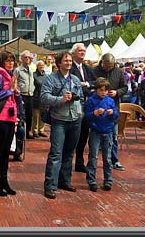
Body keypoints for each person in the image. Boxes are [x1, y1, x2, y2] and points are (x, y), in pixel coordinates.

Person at [41, 51, 84, 200]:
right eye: (66, 61)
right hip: (59, 119)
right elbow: (44, 97)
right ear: (59, 63)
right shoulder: (50, 79)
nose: (68, 63)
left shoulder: (75, 80)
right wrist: (61, 99)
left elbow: (81, 97)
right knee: (56, 153)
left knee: (69, 153)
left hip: (75, 119)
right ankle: (50, 185)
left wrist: (79, 108)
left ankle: (65, 181)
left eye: (70, 61)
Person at [0, 50, 20, 197]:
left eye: (12, 60)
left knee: (6, 152)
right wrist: (10, 91)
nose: (11, 63)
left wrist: (16, 93)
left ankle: (4, 181)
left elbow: (13, 97)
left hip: (10, 117)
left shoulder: (11, 76)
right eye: (8, 60)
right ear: (2, 62)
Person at [93, 53, 127, 171]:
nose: (108, 68)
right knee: (95, 139)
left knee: (113, 137)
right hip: (97, 109)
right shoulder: (95, 71)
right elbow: (91, 86)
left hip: (112, 109)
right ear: (102, 62)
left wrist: (117, 92)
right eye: (106, 66)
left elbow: (125, 87)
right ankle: (94, 161)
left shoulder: (118, 72)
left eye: (110, 66)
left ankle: (114, 160)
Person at [85, 77, 118, 192]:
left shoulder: (110, 101)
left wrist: (112, 113)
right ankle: (91, 180)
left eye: (105, 90)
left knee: (107, 158)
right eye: (101, 90)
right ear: (96, 90)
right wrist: (94, 113)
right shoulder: (91, 100)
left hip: (108, 131)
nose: (103, 92)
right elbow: (87, 116)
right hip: (95, 131)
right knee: (93, 157)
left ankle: (108, 180)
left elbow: (116, 115)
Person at [69, 43, 96, 173]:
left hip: (87, 104)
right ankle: (67, 162)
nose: (82, 52)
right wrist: (84, 86)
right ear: (73, 53)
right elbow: (73, 84)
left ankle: (79, 161)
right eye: (80, 50)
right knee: (73, 134)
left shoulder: (88, 68)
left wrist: (86, 84)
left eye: (84, 51)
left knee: (84, 133)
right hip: (74, 105)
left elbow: (96, 82)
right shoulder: (70, 68)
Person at [14, 50, 35, 141]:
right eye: (25, 57)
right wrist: (16, 91)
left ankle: (28, 131)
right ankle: (21, 131)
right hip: (21, 95)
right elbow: (14, 81)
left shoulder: (31, 69)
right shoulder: (18, 70)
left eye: (29, 57)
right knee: (21, 115)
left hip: (30, 94)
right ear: (21, 59)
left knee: (30, 114)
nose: (27, 59)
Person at [32, 60, 48, 138]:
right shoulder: (34, 75)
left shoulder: (46, 76)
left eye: (42, 65)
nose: (41, 67)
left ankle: (41, 130)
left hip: (44, 97)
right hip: (36, 97)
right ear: (37, 66)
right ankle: (35, 131)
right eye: (39, 65)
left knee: (43, 115)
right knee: (36, 115)